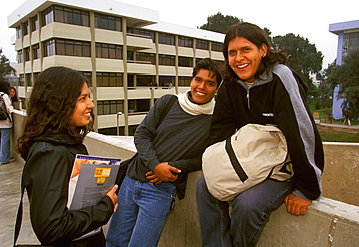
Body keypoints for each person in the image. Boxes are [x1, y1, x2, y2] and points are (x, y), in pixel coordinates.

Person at [196, 22, 324, 247]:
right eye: (232, 53)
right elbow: (219, 131)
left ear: (263, 50)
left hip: (282, 166)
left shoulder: (280, 77)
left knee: (247, 205)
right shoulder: (230, 84)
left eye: (246, 50)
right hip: (251, 159)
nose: (238, 58)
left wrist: (307, 190)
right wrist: (214, 165)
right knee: (205, 185)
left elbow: (302, 133)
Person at [105, 58, 222, 247]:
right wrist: (156, 165)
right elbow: (142, 134)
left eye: (210, 83)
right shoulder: (169, 102)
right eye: (198, 80)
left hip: (160, 192)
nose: (202, 86)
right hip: (130, 181)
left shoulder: (216, 120)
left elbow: (208, 158)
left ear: (217, 89)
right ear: (191, 81)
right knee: (114, 242)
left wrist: (173, 167)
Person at [16, 66, 118, 246]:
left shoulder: (65, 143)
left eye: (89, 97)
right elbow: (52, 228)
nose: (91, 105)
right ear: (58, 103)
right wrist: (105, 207)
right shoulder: (49, 153)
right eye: (82, 98)